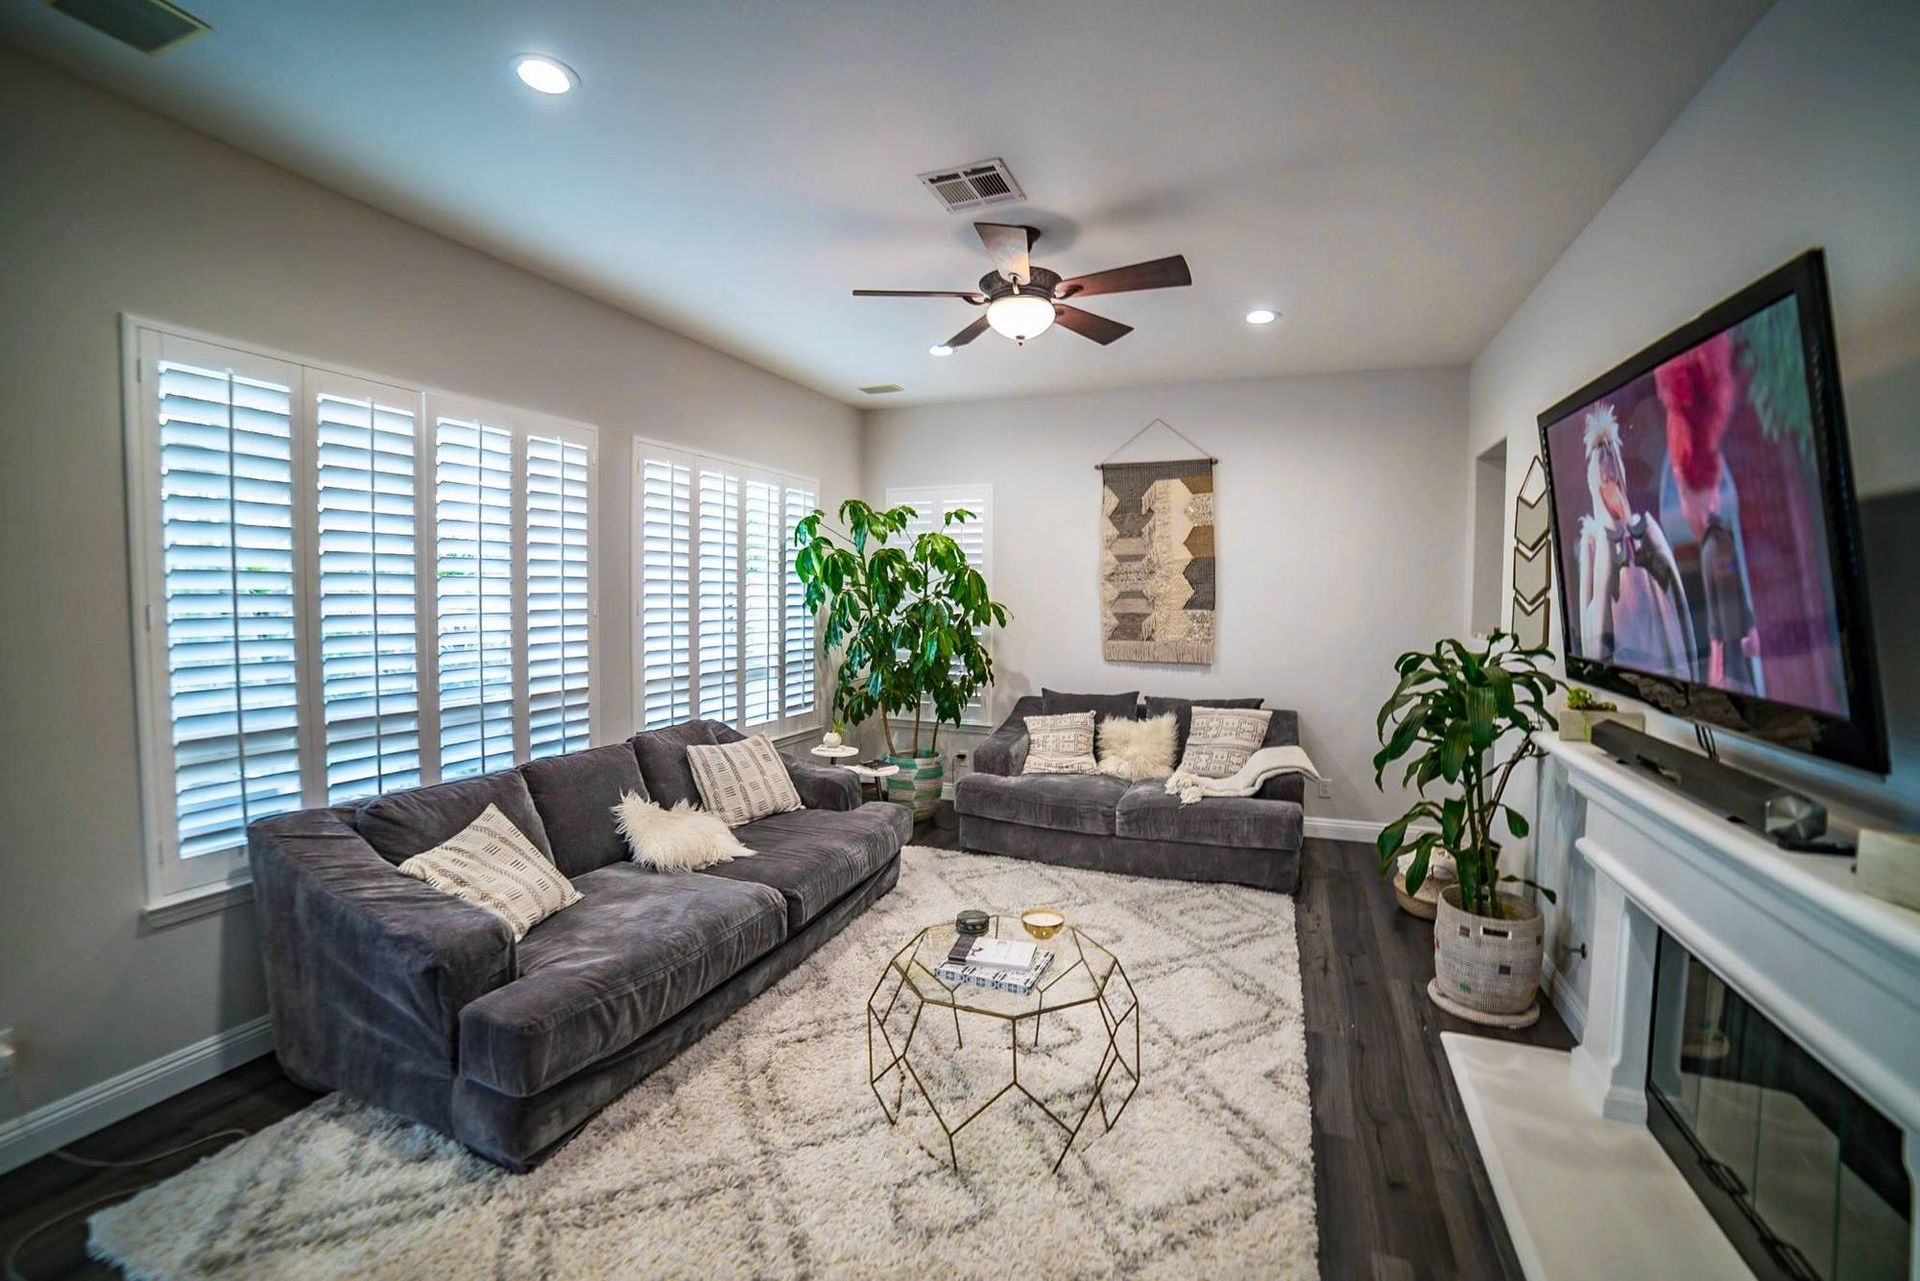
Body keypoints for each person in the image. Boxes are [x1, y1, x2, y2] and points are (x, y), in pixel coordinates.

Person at [1576, 404, 1696, 678]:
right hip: (1622, 660)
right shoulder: (1593, 543)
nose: (1608, 471)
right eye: (1601, 463)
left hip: (1659, 658)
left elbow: (1676, 596)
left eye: (1611, 459)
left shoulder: (1645, 529)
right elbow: (1587, 623)